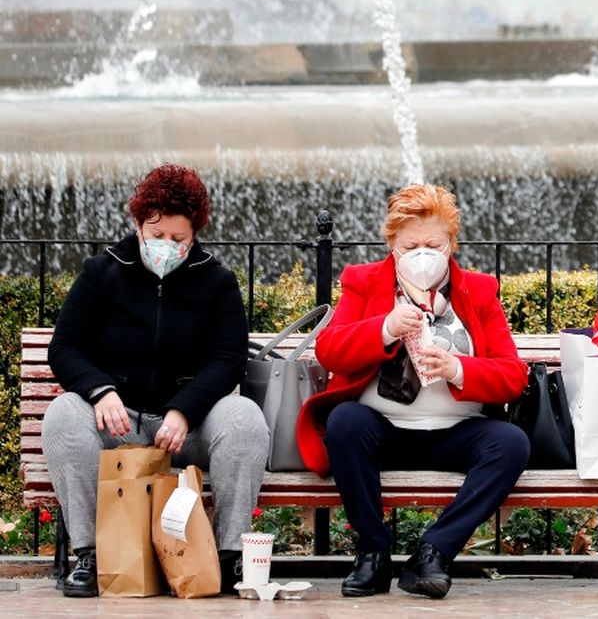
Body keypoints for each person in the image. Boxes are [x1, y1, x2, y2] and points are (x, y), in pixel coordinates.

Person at [44, 163, 268, 597]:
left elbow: (228, 359)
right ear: (137, 225)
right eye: (157, 236)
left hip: (189, 427)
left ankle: (227, 557)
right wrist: (99, 390)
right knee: (63, 415)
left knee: (243, 418)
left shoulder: (217, 282)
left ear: (195, 234)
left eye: (178, 239)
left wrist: (185, 409)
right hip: (118, 422)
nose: (166, 246)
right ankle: (93, 556)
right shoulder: (100, 272)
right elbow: (65, 348)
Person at [295, 184, 529, 600]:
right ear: (392, 245)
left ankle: (433, 552)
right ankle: (372, 552)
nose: (423, 253)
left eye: (433, 244)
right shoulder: (363, 282)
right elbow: (329, 350)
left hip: (456, 432)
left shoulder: (478, 289)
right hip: (383, 429)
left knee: (511, 444)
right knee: (345, 422)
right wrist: (384, 327)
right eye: (410, 245)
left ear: (451, 244)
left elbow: (513, 374)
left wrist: (459, 369)